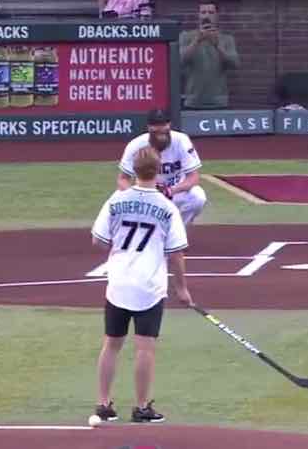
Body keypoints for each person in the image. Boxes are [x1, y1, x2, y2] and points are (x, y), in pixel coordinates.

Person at [91, 146, 194, 424]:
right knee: (145, 347)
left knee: (111, 344)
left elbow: (98, 240)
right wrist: (182, 289)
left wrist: (116, 247)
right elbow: (176, 254)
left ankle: (103, 404)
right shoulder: (166, 207)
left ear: (134, 170)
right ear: (158, 171)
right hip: (149, 286)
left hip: (118, 283)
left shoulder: (116, 200)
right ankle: (141, 407)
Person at [118, 109, 207, 225]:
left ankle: (177, 232)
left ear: (169, 125)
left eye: (163, 124)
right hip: (146, 195)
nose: (160, 128)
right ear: (149, 127)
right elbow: (123, 179)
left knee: (198, 197)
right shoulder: (136, 145)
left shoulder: (181, 141)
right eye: (156, 125)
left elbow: (193, 177)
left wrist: (172, 190)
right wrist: (136, 194)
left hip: (175, 192)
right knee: (118, 198)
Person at [178, 0, 240, 110]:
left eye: (211, 12)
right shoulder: (186, 36)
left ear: (217, 15)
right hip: (193, 100)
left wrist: (218, 46)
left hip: (219, 101)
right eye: (203, 12)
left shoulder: (227, 39)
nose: (207, 16)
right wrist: (196, 41)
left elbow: (235, 64)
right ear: (199, 15)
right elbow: (179, 61)